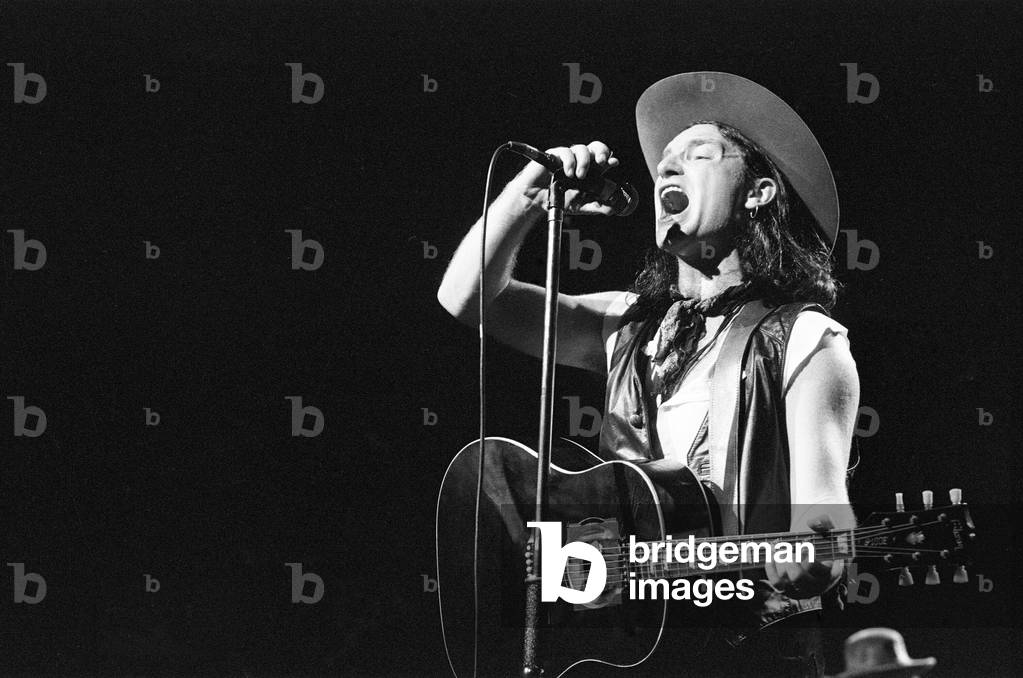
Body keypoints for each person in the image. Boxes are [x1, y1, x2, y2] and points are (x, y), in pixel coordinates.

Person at [437, 72, 859, 677]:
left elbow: (825, 538)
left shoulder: (807, 340)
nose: (668, 168)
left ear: (759, 192)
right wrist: (531, 195)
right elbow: (469, 299)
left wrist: (737, 570)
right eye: (664, 162)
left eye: (699, 154)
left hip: (749, 657)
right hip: (626, 654)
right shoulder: (625, 324)